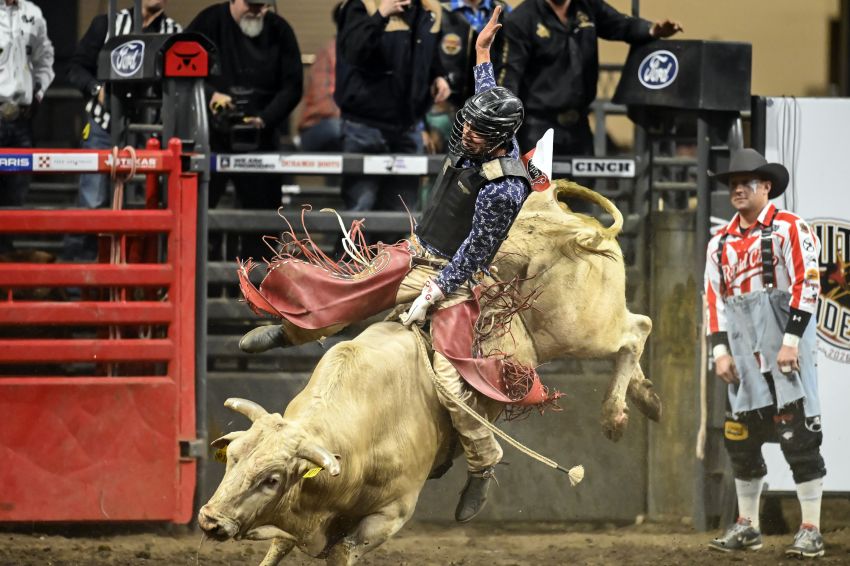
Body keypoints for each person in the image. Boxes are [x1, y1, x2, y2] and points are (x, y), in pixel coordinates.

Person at [240, 6, 529, 523]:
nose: (466, 135)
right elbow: (484, 89)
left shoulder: (505, 186)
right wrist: (482, 52)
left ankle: (484, 464)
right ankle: (289, 329)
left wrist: (436, 291)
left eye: (479, 134)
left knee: (449, 378)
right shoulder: (482, 125)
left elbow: (477, 251)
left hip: (454, 278)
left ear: (502, 138)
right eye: (469, 126)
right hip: (418, 250)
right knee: (350, 286)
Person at [704, 149, 826, 558]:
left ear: (766, 186)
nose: (738, 189)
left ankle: (811, 528)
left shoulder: (792, 228)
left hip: (784, 349)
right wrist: (719, 351)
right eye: (733, 183)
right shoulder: (719, 242)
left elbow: (807, 284)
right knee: (740, 439)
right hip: (742, 356)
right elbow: (713, 300)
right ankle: (748, 524)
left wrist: (791, 340)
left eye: (747, 182)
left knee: (799, 437)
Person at [65, 0, 181, 262]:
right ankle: (77, 283)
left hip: (148, 133)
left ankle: (137, 277)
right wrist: (97, 89)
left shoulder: (174, 33)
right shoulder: (107, 23)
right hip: (103, 125)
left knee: (144, 207)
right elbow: (75, 68)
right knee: (92, 203)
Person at [188, 0, 302, 261]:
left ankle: (258, 291)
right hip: (211, 138)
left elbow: (292, 86)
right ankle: (205, 291)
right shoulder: (208, 23)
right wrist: (209, 95)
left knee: (263, 226)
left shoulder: (279, 30)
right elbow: (181, 71)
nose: (259, 13)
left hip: (261, 139)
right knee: (200, 218)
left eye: (264, 7)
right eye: (252, 6)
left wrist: (263, 119)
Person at [498, 0, 681, 156]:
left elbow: (621, 25)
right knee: (539, 195)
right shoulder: (521, 19)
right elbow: (509, 78)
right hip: (536, 128)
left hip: (579, 125)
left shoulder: (588, 6)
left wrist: (652, 30)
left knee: (584, 191)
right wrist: (503, 133)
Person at [334, 0, 450, 218]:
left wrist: (438, 74)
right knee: (359, 209)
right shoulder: (362, 6)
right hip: (364, 126)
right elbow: (353, 51)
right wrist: (380, 15)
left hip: (408, 126)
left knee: (403, 212)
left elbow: (428, 50)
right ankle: (351, 254)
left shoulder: (429, 8)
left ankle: (392, 254)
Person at [0, 0, 54, 253]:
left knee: (14, 200)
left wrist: (39, 91)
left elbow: (45, 58)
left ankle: (6, 275)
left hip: (21, 120)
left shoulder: (32, 14)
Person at [297, 3, 343, 153]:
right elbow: (323, 104)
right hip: (317, 127)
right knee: (341, 129)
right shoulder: (329, 53)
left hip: (347, 125)